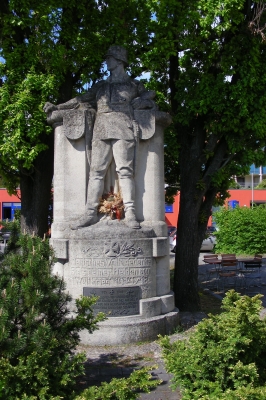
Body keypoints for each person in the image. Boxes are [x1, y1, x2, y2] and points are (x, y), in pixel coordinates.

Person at [44, 45, 156, 229]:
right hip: (101, 129)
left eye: (110, 58)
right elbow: (81, 99)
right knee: (96, 172)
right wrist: (58, 107)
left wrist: (142, 101)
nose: (107, 61)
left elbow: (150, 95)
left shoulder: (133, 85)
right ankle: (90, 214)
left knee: (125, 171)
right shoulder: (101, 86)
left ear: (119, 60)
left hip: (123, 129)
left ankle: (130, 214)